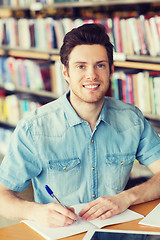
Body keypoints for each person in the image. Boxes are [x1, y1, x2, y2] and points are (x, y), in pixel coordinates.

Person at [0, 23, 160, 228]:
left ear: (111, 70)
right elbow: (3, 196)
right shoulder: (34, 128)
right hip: (63, 234)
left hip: (119, 230)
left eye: (100, 65)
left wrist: (125, 198)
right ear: (65, 72)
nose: (91, 75)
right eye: (81, 66)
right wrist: (36, 212)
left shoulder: (132, 119)